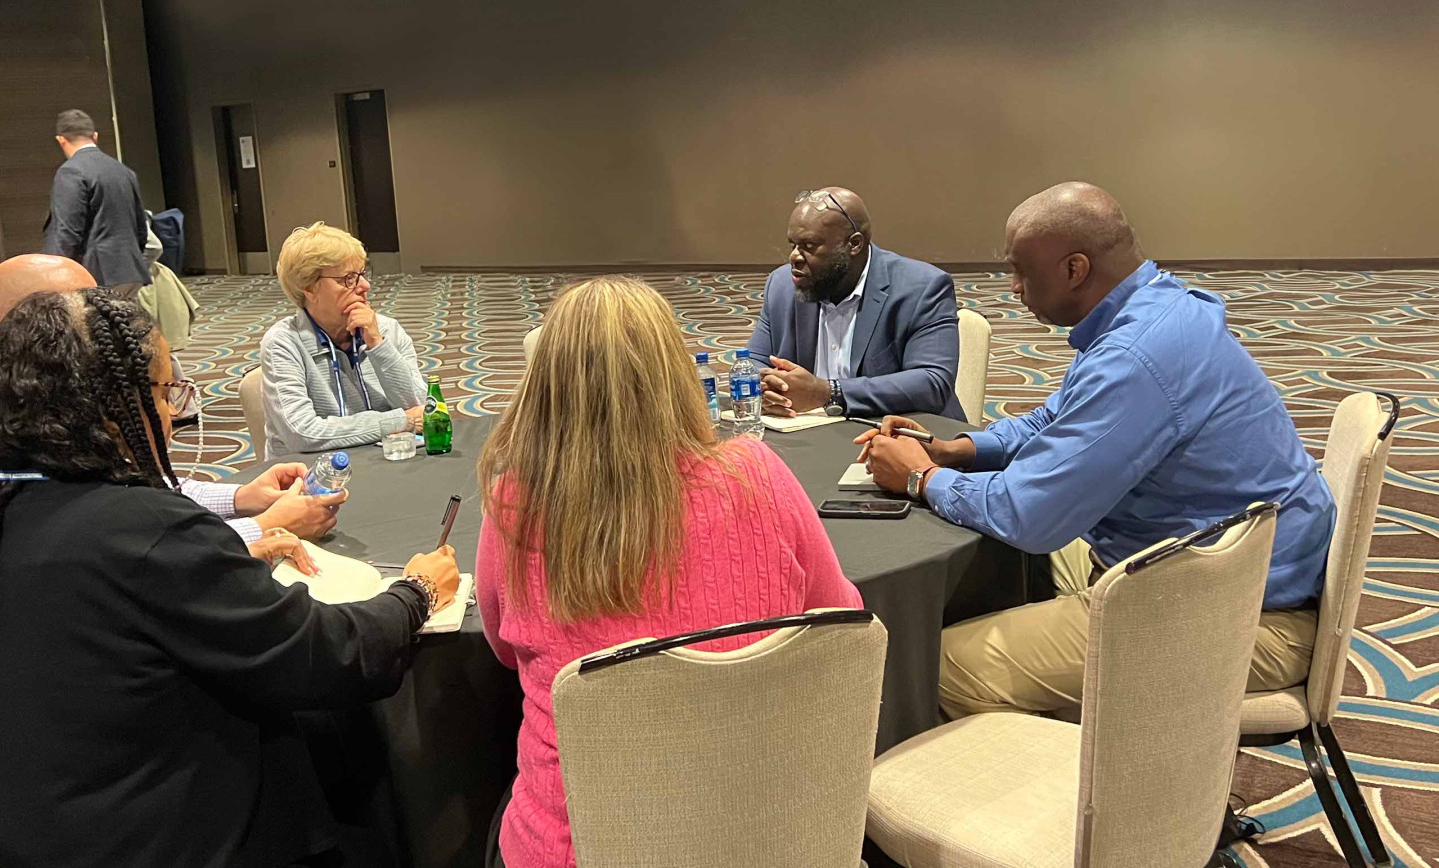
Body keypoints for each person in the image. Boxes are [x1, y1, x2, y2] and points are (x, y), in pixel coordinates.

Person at [0, 288, 460, 867]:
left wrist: (214, 574)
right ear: (106, 408)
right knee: (346, 768)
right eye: (161, 393)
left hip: (26, 829)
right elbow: (330, 656)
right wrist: (416, 593)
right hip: (160, 835)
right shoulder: (144, 530)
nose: (172, 414)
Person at [853, 182, 1333, 719]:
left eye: (1020, 272)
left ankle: (1074, 797)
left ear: (1074, 270)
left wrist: (921, 478)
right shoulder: (1156, 307)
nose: (1013, 288)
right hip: (1209, 564)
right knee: (997, 563)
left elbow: (1028, 514)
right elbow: (1054, 420)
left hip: (1239, 616)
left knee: (932, 667)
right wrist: (955, 450)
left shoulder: (1134, 356)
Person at [475, 276, 863, 868]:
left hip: (578, 848)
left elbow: (504, 650)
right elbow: (842, 617)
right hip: (767, 832)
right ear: (674, 374)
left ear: (544, 388)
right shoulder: (756, 471)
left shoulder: (515, 502)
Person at [0, 255, 344, 699]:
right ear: (39, 327)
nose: (101, 325)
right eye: (85, 311)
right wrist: (261, 528)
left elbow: (112, 494)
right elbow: (109, 545)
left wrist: (240, 496)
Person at [747, 187, 963, 420]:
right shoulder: (782, 286)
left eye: (809, 246)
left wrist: (828, 393)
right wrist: (768, 388)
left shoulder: (922, 288)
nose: (795, 257)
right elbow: (752, 362)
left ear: (854, 244)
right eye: (793, 245)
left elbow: (932, 382)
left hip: (897, 433)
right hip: (807, 433)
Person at [259, 222, 425, 459]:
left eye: (362, 275)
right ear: (309, 288)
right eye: (348, 279)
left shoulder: (387, 329)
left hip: (386, 463)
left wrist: (378, 345)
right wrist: (399, 421)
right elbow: (302, 433)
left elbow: (423, 408)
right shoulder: (283, 343)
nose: (364, 286)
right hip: (311, 478)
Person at [41, 108, 152, 296]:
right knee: (124, 324)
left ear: (61, 140)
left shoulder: (71, 172)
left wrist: (53, 279)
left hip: (95, 275)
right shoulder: (123, 171)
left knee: (94, 326)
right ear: (95, 136)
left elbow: (67, 232)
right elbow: (141, 228)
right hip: (131, 271)